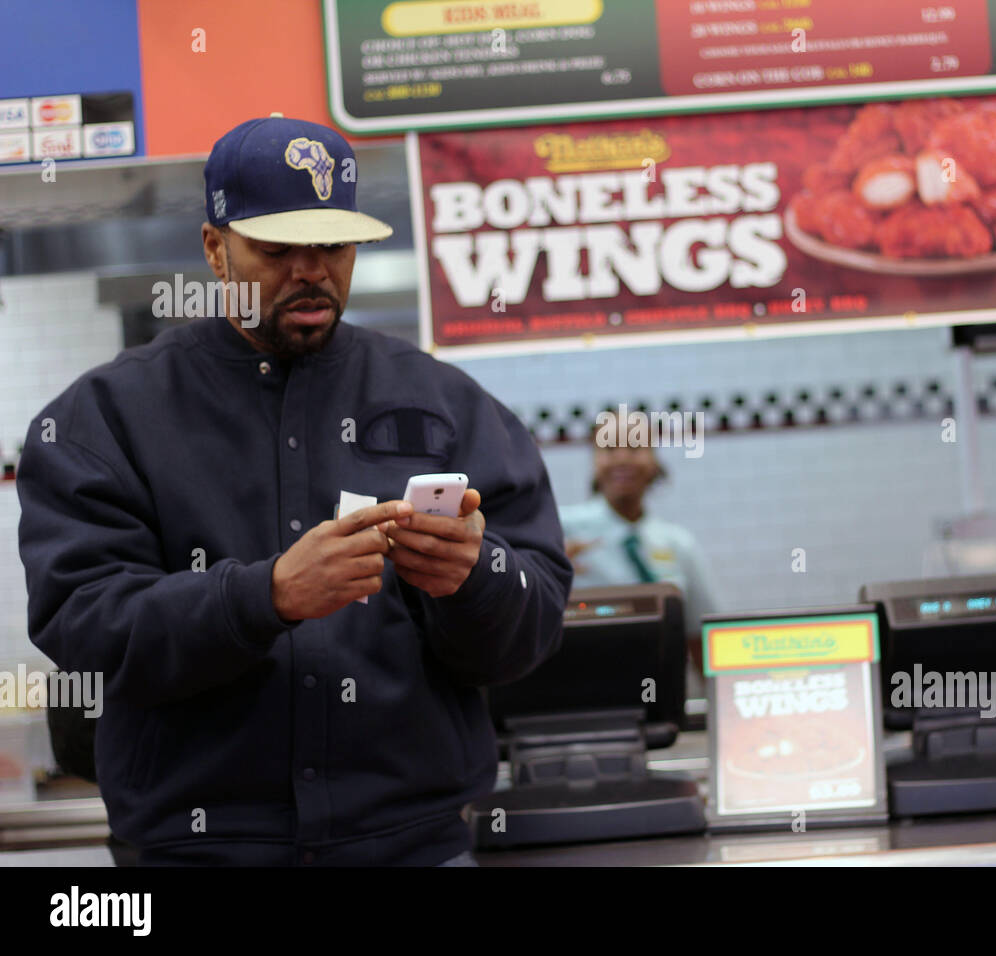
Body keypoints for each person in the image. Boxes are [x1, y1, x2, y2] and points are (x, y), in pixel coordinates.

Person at [16, 115, 572, 866]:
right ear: (215, 248)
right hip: (198, 853)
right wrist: (262, 598)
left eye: (333, 247)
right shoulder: (106, 419)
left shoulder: (448, 405)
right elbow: (84, 626)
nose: (310, 270)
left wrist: (478, 580)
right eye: (277, 249)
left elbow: (535, 621)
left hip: (413, 848)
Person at [560, 433, 719, 692]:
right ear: (595, 462)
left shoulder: (678, 544)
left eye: (635, 448)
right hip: (579, 692)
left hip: (663, 696)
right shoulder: (558, 533)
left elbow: (701, 637)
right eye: (610, 448)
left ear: (654, 461)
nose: (622, 458)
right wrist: (546, 568)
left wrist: (716, 705)